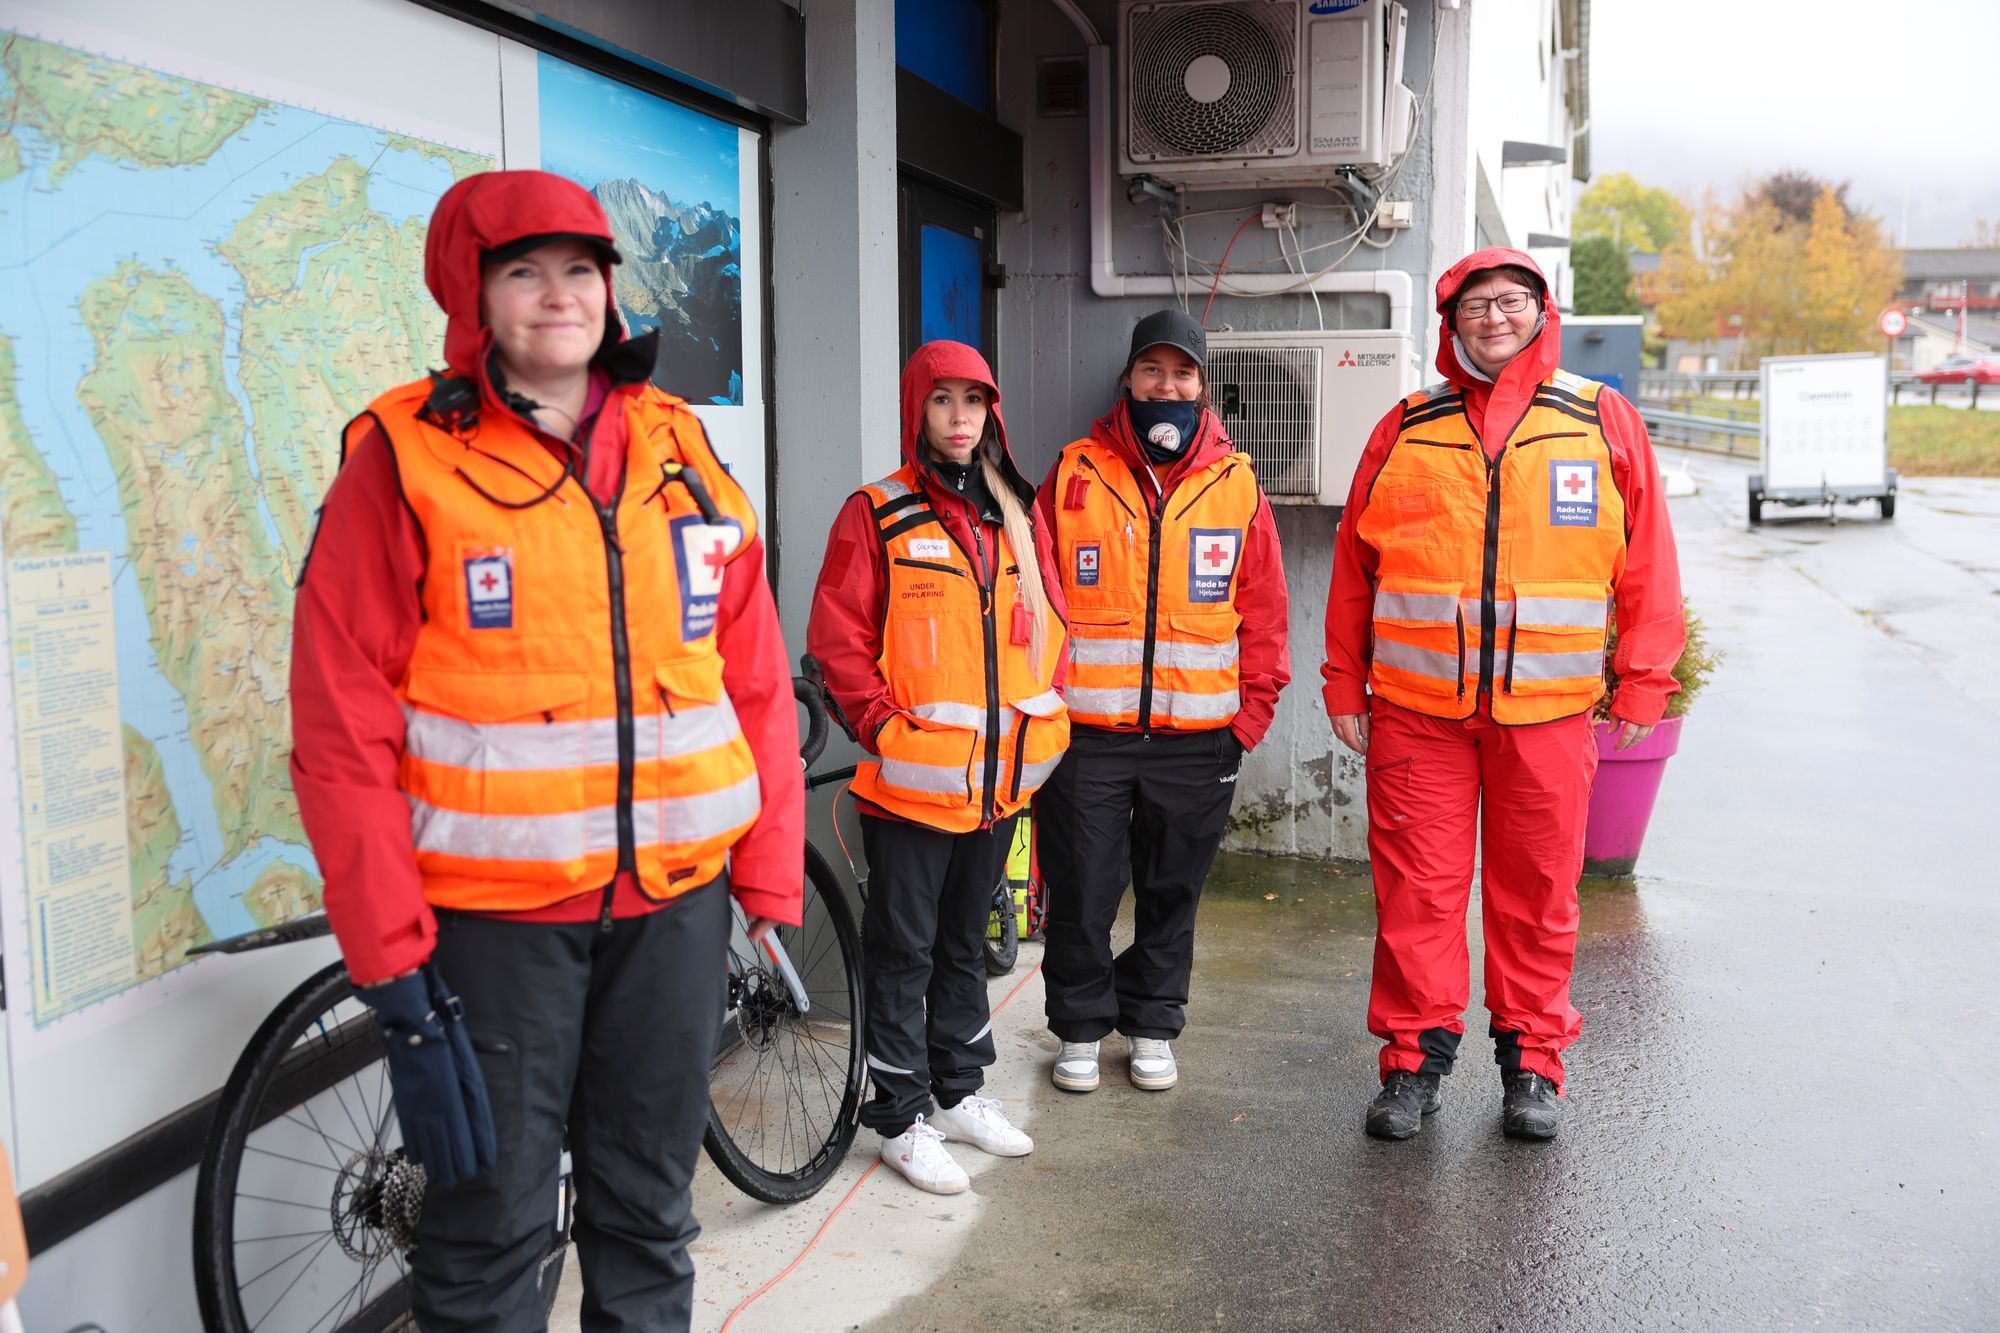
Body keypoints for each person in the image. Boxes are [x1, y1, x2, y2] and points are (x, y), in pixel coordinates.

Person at [289, 169, 802, 1328]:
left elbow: (751, 670)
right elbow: (339, 726)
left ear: (611, 289)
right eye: (521, 269)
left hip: (673, 913)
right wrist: (390, 961)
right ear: (471, 296)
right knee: (487, 1242)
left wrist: (767, 869)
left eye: (580, 268)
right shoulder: (402, 458)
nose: (557, 295)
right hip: (494, 934)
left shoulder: (680, 447)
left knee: (648, 1217)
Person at [1322, 247, 1684, 1142]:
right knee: (1418, 895)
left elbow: (1647, 564)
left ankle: (1534, 1067)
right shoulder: (1405, 426)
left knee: (1538, 894)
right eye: (1476, 304)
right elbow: (1354, 570)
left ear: (1541, 310)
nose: (1495, 317)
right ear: (1451, 323)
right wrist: (1343, 681)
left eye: (1511, 300)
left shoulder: (1601, 420)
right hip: (1416, 712)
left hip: (1549, 714)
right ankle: (1412, 1066)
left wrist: (1644, 676)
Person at [807, 340, 1069, 1195]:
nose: (960, 418)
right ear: (916, 409)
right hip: (913, 785)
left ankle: (958, 1091)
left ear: (992, 412)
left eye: (974, 401)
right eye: (943, 401)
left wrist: (1047, 714)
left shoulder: (1014, 516)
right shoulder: (877, 512)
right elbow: (838, 638)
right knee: (903, 950)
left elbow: (1054, 631)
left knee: (966, 944)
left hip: (995, 785)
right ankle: (899, 1115)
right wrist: (882, 727)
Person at [1037, 309, 1290, 1095]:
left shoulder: (1237, 482)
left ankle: (1151, 1022)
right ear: (1129, 378)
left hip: (1199, 739)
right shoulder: (1074, 471)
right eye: (1153, 370)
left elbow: (1266, 611)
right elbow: (1037, 598)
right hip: (1089, 737)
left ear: (1203, 387)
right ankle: (1079, 1026)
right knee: (1080, 888)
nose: (1166, 385)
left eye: (1182, 373)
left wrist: (1247, 721)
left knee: (1171, 890)